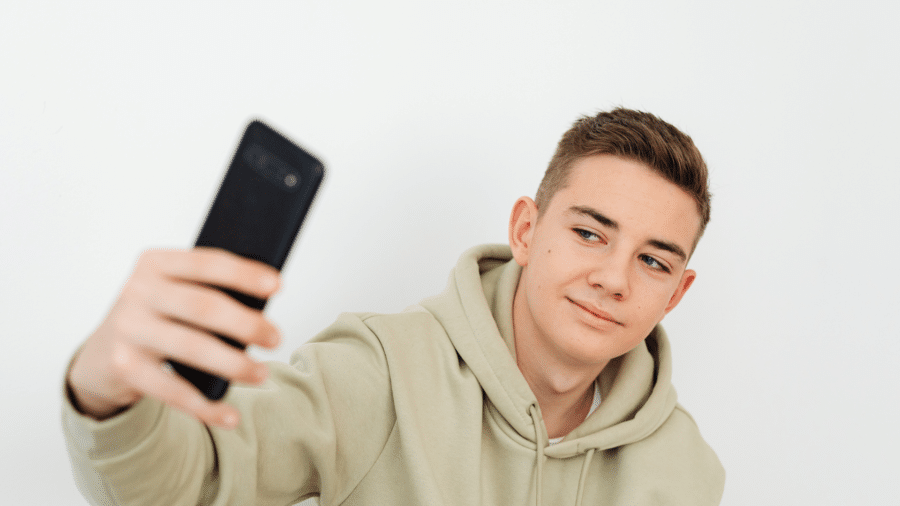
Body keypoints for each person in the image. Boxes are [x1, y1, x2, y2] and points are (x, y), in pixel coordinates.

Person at [63, 108, 725, 505]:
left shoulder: (686, 471)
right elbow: (192, 484)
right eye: (589, 232)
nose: (615, 278)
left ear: (678, 291)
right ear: (526, 231)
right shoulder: (378, 373)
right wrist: (108, 400)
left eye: (653, 260)